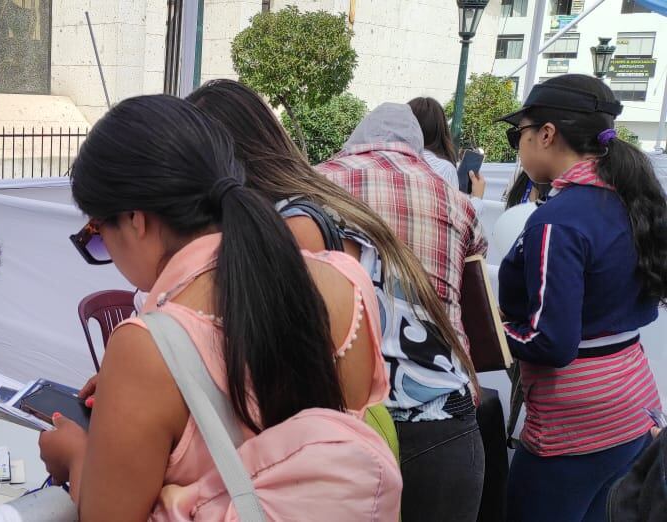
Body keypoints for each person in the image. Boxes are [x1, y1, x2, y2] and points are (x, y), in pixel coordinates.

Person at [39, 95, 399, 520]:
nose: (107, 252)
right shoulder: (346, 282)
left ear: (135, 219)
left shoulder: (148, 348)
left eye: (98, 233)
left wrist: (76, 456)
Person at [495, 74, 667, 522]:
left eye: (519, 134)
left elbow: (552, 342)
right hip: (632, 401)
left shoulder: (557, 220)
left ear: (546, 134)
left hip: (573, 421)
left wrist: (489, 330)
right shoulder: (630, 200)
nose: (518, 146)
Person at [312, 101, 488, 522]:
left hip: (340, 414)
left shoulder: (314, 186)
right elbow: (474, 274)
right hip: (441, 413)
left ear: (355, 140)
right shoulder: (457, 201)